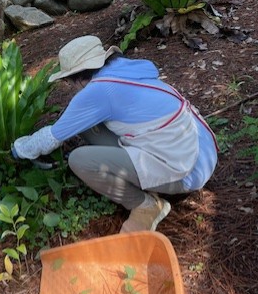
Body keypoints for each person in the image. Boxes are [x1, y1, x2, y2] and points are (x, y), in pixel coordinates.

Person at [11, 35, 218, 233]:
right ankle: (142, 177)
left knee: (79, 160)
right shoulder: (124, 69)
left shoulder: (98, 92)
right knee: (82, 123)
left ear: (78, 78)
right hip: (200, 150)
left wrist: (18, 150)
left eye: (69, 81)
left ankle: (145, 206)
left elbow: (50, 138)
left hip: (187, 172)